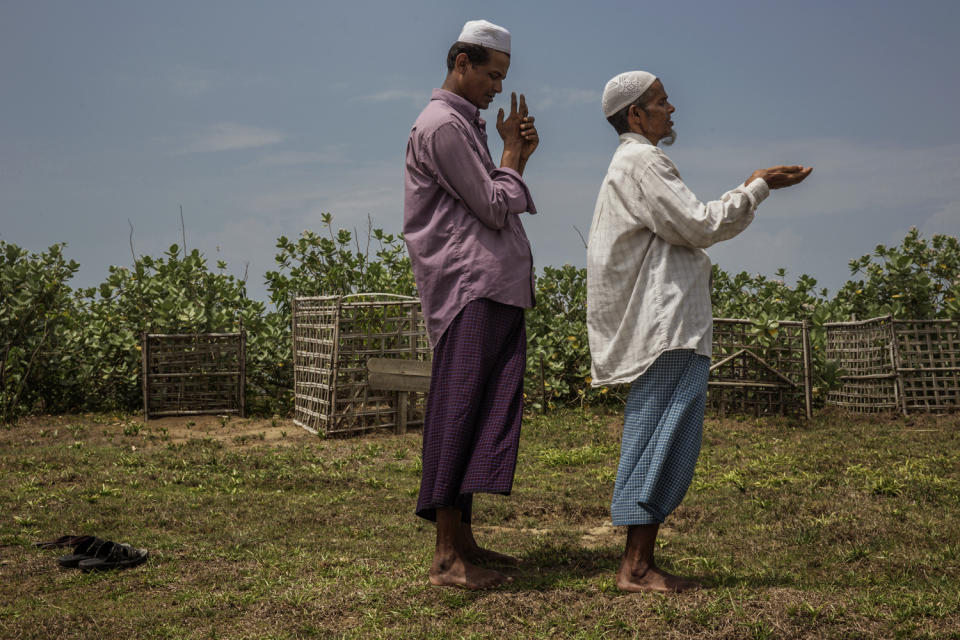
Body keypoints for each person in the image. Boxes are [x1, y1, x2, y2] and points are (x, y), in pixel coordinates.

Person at [586, 70, 811, 593]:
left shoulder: (632, 162)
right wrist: (757, 186)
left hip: (667, 324)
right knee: (662, 437)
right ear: (636, 115)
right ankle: (636, 566)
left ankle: (638, 560)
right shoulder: (643, 161)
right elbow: (700, 224)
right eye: (661, 103)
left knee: (656, 435)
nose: (672, 110)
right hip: (667, 325)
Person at [403, 19, 540, 590]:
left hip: (491, 287)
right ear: (461, 61)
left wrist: (510, 152)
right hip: (470, 288)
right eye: (490, 74)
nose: (495, 87)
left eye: (501, 76)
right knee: (458, 410)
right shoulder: (443, 127)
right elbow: (491, 204)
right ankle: (445, 559)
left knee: (480, 409)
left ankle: (462, 541)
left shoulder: (465, 126)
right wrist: (513, 154)